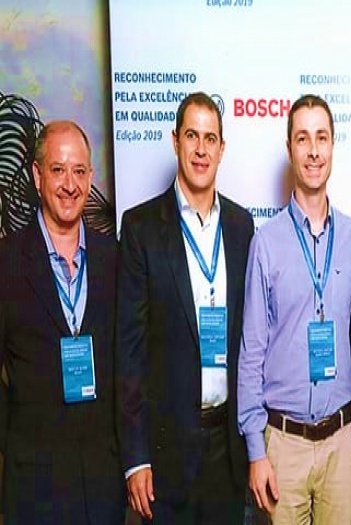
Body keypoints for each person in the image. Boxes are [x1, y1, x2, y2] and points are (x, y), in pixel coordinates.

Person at [117, 92, 254, 523]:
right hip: (166, 455)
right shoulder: (140, 228)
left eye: (210, 139)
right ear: (175, 140)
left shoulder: (241, 226)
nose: (200, 149)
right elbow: (129, 352)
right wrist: (136, 458)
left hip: (227, 450)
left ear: (222, 149)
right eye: (192, 136)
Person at [238, 94, 351, 525]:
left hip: (341, 442)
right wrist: (256, 451)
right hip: (283, 447)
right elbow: (252, 351)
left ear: (333, 145)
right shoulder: (266, 242)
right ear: (289, 148)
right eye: (302, 138)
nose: (313, 151)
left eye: (321, 138)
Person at [0, 120, 125, 523]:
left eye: (79, 171)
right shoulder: (7, 261)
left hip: (103, 482)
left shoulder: (115, 259)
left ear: (90, 177)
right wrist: (15, 440)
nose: (69, 185)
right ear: (38, 176)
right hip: (34, 482)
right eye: (58, 170)